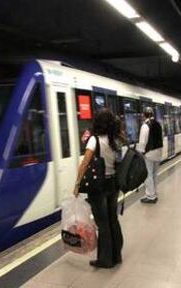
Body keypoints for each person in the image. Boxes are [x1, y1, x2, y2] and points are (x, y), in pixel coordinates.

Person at [73, 109, 123, 268]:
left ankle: (105, 260)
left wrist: (76, 184)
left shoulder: (94, 140)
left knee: (103, 223)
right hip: (113, 184)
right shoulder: (115, 139)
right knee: (113, 220)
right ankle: (116, 255)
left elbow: (84, 164)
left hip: (99, 188)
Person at [137, 107, 163, 204]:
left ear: (144, 115)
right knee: (154, 174)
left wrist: (140, 152)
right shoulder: (158, 124)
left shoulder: (145, 126)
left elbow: (142, 142)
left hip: (149, 153)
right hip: (158, 152)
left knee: (147, 174)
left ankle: (151, 196)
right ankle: (154, 192)